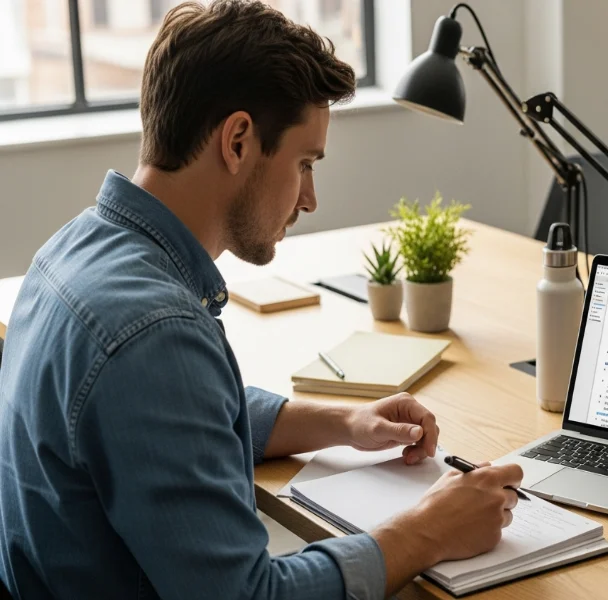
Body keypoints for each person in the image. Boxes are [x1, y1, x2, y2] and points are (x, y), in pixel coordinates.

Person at [0, 1, 523, 599]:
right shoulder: (154, 334)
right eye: (304, 163)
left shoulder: (75, 248)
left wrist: (344, 422)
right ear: (238, 141)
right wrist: (430, 529)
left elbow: (178, 416)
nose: (310, 198)